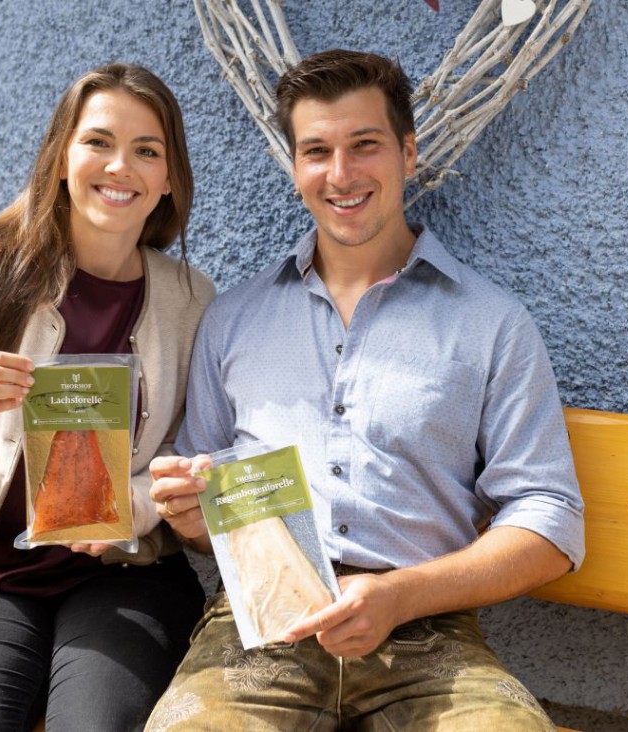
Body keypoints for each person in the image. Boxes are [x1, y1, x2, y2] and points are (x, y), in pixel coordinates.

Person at [146, 50, 584, 731]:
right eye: (317, 150)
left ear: (408, 154)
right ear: (295, 169)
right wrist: (193, 520)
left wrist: (399, 596)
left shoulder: (493, 324)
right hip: (260, 630)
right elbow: (206, 505)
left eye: (365, 145)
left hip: (430, 636)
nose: (341, 174)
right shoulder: (231, 320)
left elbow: (551, 520)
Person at [0, 63, 215, 732]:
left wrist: (138, 508)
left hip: (125, 576)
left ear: (169, 179)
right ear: (61, 155)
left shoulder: (191, 298)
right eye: (97, 141)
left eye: (147, 150)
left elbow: (188, 449)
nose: (120, 166)